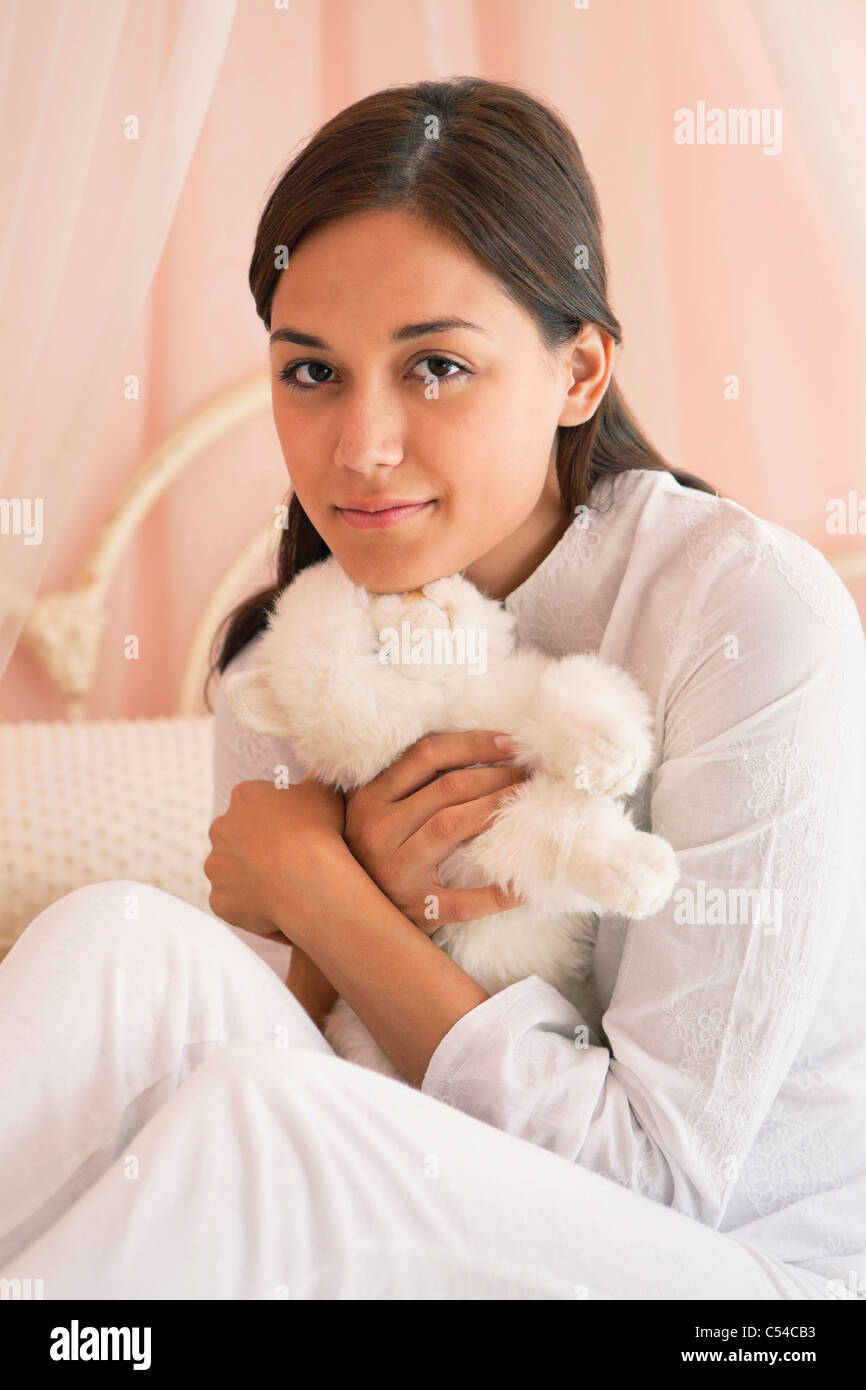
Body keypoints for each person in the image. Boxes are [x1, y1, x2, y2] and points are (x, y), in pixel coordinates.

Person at [1, 78, 863, 1301]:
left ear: (578, 374)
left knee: (263, 1123)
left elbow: (661, 1177)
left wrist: (321, 885)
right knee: (116, 936)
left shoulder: (745, 618)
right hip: (441, 1202)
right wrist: (347, 909)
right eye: (311, 373)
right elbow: (290, 1041)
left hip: (746, 1289)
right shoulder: (282, 664)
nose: (359, 446)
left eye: (436, 368)